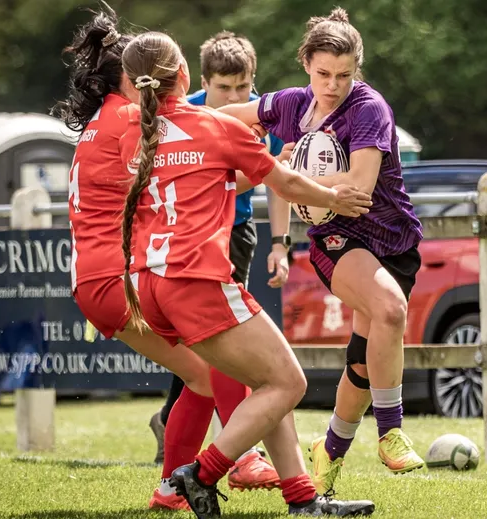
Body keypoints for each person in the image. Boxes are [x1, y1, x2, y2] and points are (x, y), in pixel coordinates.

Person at [117, 30, 376, 518]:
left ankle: (302, 500)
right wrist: (335, 198)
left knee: (261, 380)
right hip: (196, 280)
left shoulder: (135, 131)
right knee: (289, 383)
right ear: (189, 78)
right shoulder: (216, 128)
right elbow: (283, 180)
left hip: (146, 282)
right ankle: (199, 473)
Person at [52, 6, 273, 512]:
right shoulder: (131, 119)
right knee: (220, 362)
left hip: (98, 281)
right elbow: (209, 124)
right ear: (130, 81)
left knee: (202, 372)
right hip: (118, 279)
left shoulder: (105, 120)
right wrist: (279, 110)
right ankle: (235, 461)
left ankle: (172, 488)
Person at [218, 7, 426, 495]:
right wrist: (181, 122)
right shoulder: (292, 104)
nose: (332, 86)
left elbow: (359, 187)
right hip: (339, 238)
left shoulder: (369, 108)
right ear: (305, 64)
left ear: (358, 69)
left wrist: (288, 179)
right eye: (322, 74)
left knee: (361, 360)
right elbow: (227, 114)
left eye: (344, 75)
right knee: (390, 310)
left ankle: (328, 453)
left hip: (394, 240)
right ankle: (391, 430)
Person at [148, 31, 290, 494]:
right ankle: (238, 455)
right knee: (213, 352)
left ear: (254, 82)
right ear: (202, 82)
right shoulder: (182, 115)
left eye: (242, 87)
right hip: (189, 239)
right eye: (223, 88)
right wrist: (271, 171)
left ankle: (177, 432)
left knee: (214, 352)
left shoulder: (263, 114)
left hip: (237, 233)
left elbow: (276, 179)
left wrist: (281, 243)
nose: (233, 97)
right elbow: (232, 180)